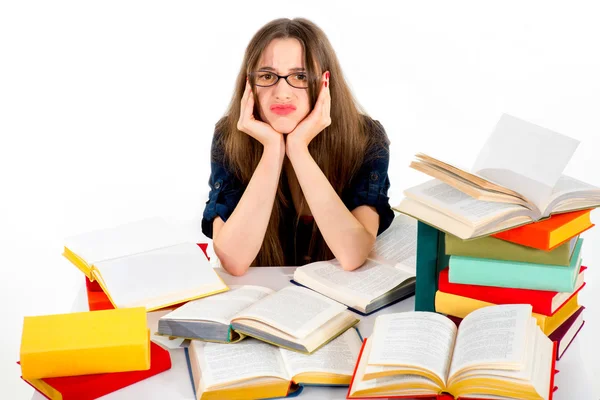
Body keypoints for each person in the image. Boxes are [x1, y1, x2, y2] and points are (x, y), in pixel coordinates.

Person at [201, 17, 394, 276]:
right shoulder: (229, 137)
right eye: (267, 76)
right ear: (249, 84)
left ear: (325, 82)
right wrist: (272, 148)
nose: (282, 92)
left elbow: (352, 254)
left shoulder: (365, 137)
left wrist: (298, 148)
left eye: (300, 76)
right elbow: (234, 261)